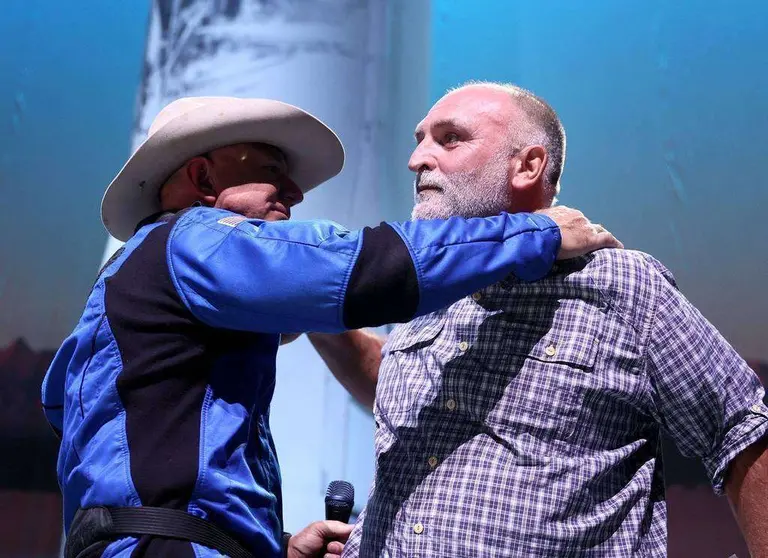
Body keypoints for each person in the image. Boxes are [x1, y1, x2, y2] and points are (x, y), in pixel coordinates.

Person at [40, 96, 618, 558]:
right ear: (203, 177)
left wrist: (267, 545)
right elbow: (360, 269)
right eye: (272, 170)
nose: (293, 192)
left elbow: (144, 463)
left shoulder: (130, 288)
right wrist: (536, 235)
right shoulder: (194, 238)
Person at [306, 82, 768, 557]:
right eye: (419, 139)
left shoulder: (619, 283)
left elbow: (742, 429)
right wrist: (311, 308)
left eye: (449, 139)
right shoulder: (432, 288)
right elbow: (394, 381)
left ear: (528, 166)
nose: (417, 159)